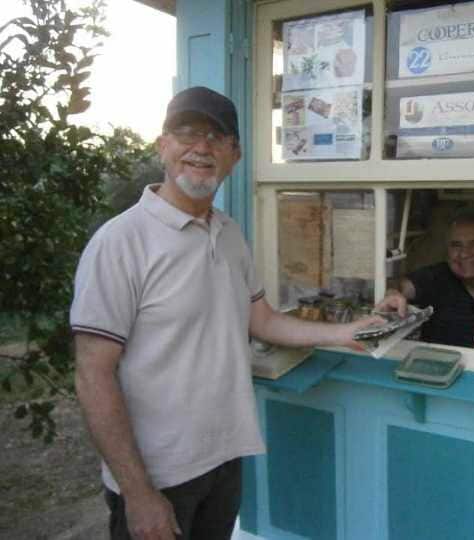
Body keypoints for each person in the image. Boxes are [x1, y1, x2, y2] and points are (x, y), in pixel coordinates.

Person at [70, 87, 382, 540]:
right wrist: (138, 493)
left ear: (234, 156)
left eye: (217, 137)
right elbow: (92, 375)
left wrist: (344, 332)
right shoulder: (120, 243)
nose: (201, 147)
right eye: (187, 133)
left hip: (223, 460)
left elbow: (263, 321)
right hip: (158, 477)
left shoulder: (229, 234)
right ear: (162, 145)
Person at [377, 208, 474, 348]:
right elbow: (400, 285)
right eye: (456, 245)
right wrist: (392, 292)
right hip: (437, 364)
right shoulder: (436, 277)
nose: (464, 254)